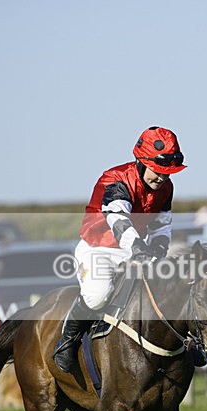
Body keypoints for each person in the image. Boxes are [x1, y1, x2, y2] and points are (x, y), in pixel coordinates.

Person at [51, 125, 186, 373]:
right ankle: (67, 341)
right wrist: (138, 248)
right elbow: (119, 220)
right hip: (98, 248)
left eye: (168, 173)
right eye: (158, 171)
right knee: (98, 295)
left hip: (134, 248)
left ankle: (184, 343)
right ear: (142, 162)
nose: (162, 178)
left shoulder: (166, 188)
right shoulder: (115, 179)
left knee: (168, 285)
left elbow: (162, 225)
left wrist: (157, 250)